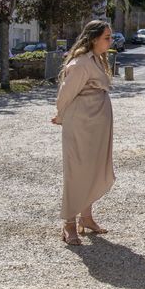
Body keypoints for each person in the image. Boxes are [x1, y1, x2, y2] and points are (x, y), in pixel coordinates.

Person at [51, 20, 115, 246]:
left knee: (93, 167)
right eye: (107, 37)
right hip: (81, 122)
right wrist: (60, 115)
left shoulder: (97, 59)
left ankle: (86, 217)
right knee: (77, 170)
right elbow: (65, 94)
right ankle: (69, 223)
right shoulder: (80, 63)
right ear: (94, 39)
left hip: (97, 121)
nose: (111, 41)